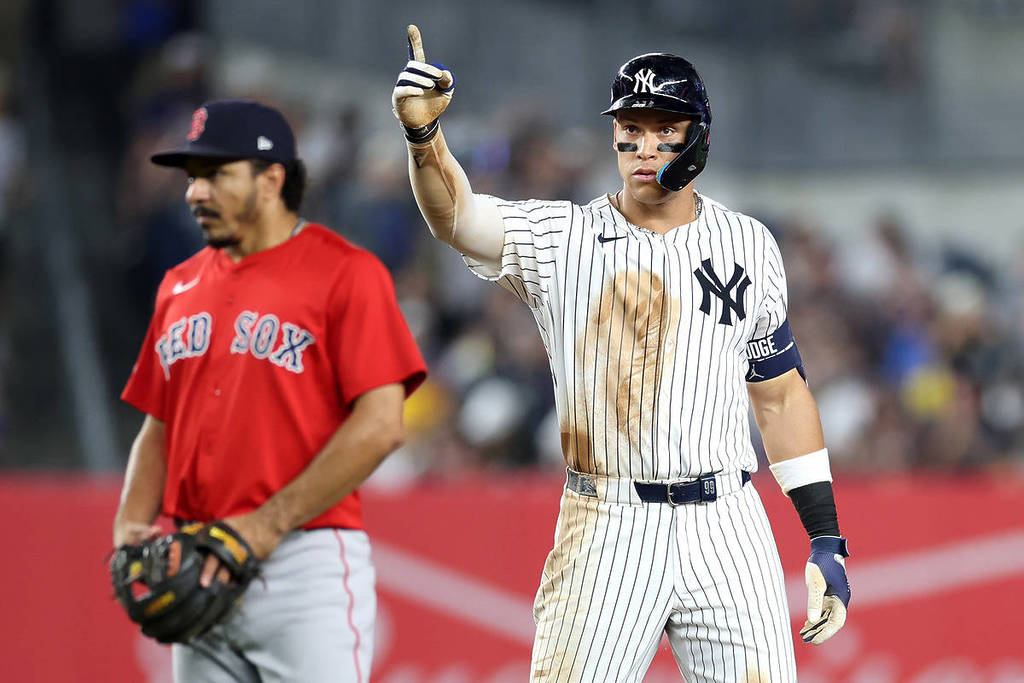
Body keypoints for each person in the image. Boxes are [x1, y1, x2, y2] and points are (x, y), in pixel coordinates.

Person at [393, 26, 851, 682]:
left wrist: (825, 534)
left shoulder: (749, 243)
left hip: (728, 521)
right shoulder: (563, 237)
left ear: (701, 135)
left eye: (663, 125)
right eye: (629, 126)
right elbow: (457, 217)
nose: (643, 143)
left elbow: (778, 391)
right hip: (608, 520)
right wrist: (423, 139)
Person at [112, 98, 426, 682]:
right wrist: (130, 525)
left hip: (302, 565)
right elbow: (159, 423)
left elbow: (382, 425)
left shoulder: (346, 273)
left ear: (271, 179)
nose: (194, 193)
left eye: (215, 175)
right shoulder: (178, 285)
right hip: (200, 561)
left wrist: (266, 524)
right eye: (191, 177)